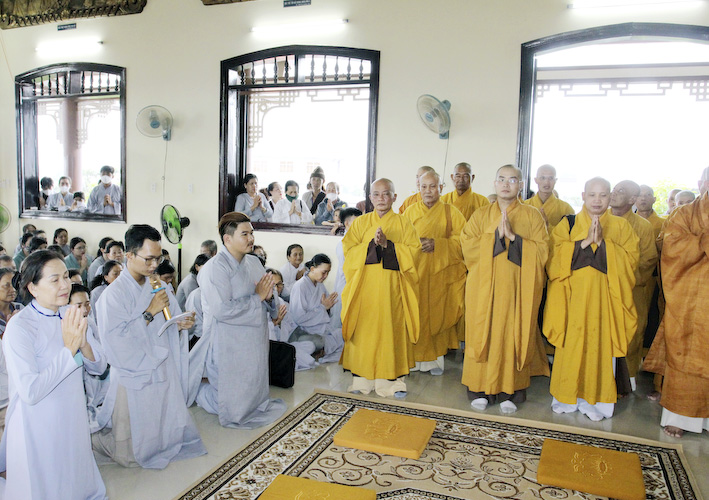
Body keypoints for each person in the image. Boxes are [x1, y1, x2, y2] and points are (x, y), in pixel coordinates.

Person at [92, 224, 205, 468]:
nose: (154, 265)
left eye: (158, 258)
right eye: (149, 259)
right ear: (129, 255)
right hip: (134, 370)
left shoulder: (158, 285)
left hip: (161, 363)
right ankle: (97, 442)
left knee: (161, 421)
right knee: (129, 452)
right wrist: (149, 312)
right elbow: (116, 342)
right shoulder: (113, 295)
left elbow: (170, 321)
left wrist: (181, 324)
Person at [0, 250, 107, 499]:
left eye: (66, 277)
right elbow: (30, 392)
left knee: (75, 478)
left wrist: (83, 344)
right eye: (55, 279)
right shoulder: (20, 327)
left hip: (72, 412)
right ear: (33, 287)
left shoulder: (71, 314)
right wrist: (69, 349)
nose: (65, 285)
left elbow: (99, 368)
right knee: (45, 485)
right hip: (37, 422)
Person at [544, 177, 639, 421]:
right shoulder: (567, 224)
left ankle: (597, 403)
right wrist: (584, 243)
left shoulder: (621, 227)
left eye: (603, 195)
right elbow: (553, 261)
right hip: (571, 302)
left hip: (605, 304)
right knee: (570, 349)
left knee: (600, 349)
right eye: (592, 195)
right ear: (583, 196)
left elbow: (631, 263)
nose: (597, 200)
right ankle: (566, 398)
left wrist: (605, 246)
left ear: (610, 198)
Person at [461, 165, 549, 413]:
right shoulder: (480, 215)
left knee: (513, 335)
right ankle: (479, 389)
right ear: (495, 183)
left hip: (516, 291)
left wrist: (514, 239)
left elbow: (543, 251)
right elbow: (466, 246)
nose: (506, 184)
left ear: (520, 185)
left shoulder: (532, 216)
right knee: (482, 332)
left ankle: (510, 391)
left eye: (512, 180)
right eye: (501, 179)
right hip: (483, 290)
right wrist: (495, 238)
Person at [188, 212, 286, 428]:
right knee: (231, 404)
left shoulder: (254, 262)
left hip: (254, 337)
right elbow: (222, 310)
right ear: (227, 239)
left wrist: (270, 299)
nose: (251, 238)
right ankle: (198, 392)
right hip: (228, 342)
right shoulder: (214, 268)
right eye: (245, 234)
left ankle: (249, 403)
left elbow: (268, 293)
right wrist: (258, 298)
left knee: (254, 389)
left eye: (252, 233)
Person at [644, 167, 709, 438]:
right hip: (689, 299)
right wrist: (704, 241)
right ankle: (680, 417)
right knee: (685, 350)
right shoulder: (684, 214)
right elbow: (671, 248)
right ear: (702, 183)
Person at [341, 178, 421, 397]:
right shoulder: (360, 223)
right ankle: (362, 381)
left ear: (394, 197)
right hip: (364, 289)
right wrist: (371, 246)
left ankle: (391, 382)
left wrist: (388, 246)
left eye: (386, 194)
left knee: (390, 331)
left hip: (392, 290)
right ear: (370, 198)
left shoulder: (405, 224)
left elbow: (414, 253)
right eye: (376, 194)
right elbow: (348, 251)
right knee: (364, 331)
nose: (381, 198)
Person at [403, 171, 466, 375]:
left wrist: (438, 244)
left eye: (432, 186)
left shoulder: (451, 212)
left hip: (441, 275)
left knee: (437, 315)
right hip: (416, 273)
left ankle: (435, 362)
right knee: (415, 314)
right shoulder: (410, 212)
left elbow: (463, 241)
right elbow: (400, 241)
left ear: (441, 187)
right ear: (418, 188)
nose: (428, 191)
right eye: (424, 187)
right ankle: (413, 360)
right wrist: (416, 244)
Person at [609, 180, 658, 390]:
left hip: (631, 290)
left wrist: (621, 276)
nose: (613, 194)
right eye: (613, 190)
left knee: (632, 333)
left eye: (620, 191)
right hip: (601, 290)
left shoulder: (643, 226)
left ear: (632, 199)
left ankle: (627, 377)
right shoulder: (599, 219)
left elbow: (648, 260)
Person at [68, 283, 110, 432]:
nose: (85, 310)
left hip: (89, 390)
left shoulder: (89, 324)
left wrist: (84, 345)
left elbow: (99, 365)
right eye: (79, 306)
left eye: (87, 304)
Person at [288, 254, 342, 362]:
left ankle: (321, 351)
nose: (325, 276)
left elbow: (327, 310)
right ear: (312, 269)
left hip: (319, 329)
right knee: (318, 342)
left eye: (328, 272)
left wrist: (327, 308)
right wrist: (322, 308)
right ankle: (320, 351)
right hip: (302, 331)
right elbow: (298, 318)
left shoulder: (320, 285)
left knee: (343, 334)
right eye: (324, 272)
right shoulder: (300, 286)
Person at [0, 268, 22, 435]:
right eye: (6, 285)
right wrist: (9, 332)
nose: (12, 289)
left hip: (19, 385)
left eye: (13, 284)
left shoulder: (20, 310)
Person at [524, 164, 574, 230]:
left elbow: (570, 234)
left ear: (555, 180)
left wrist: (547, 226)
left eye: (551, 178)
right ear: (536, 180)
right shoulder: (524, 205)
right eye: (542, 178)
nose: (546, 182)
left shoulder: (566, 209)